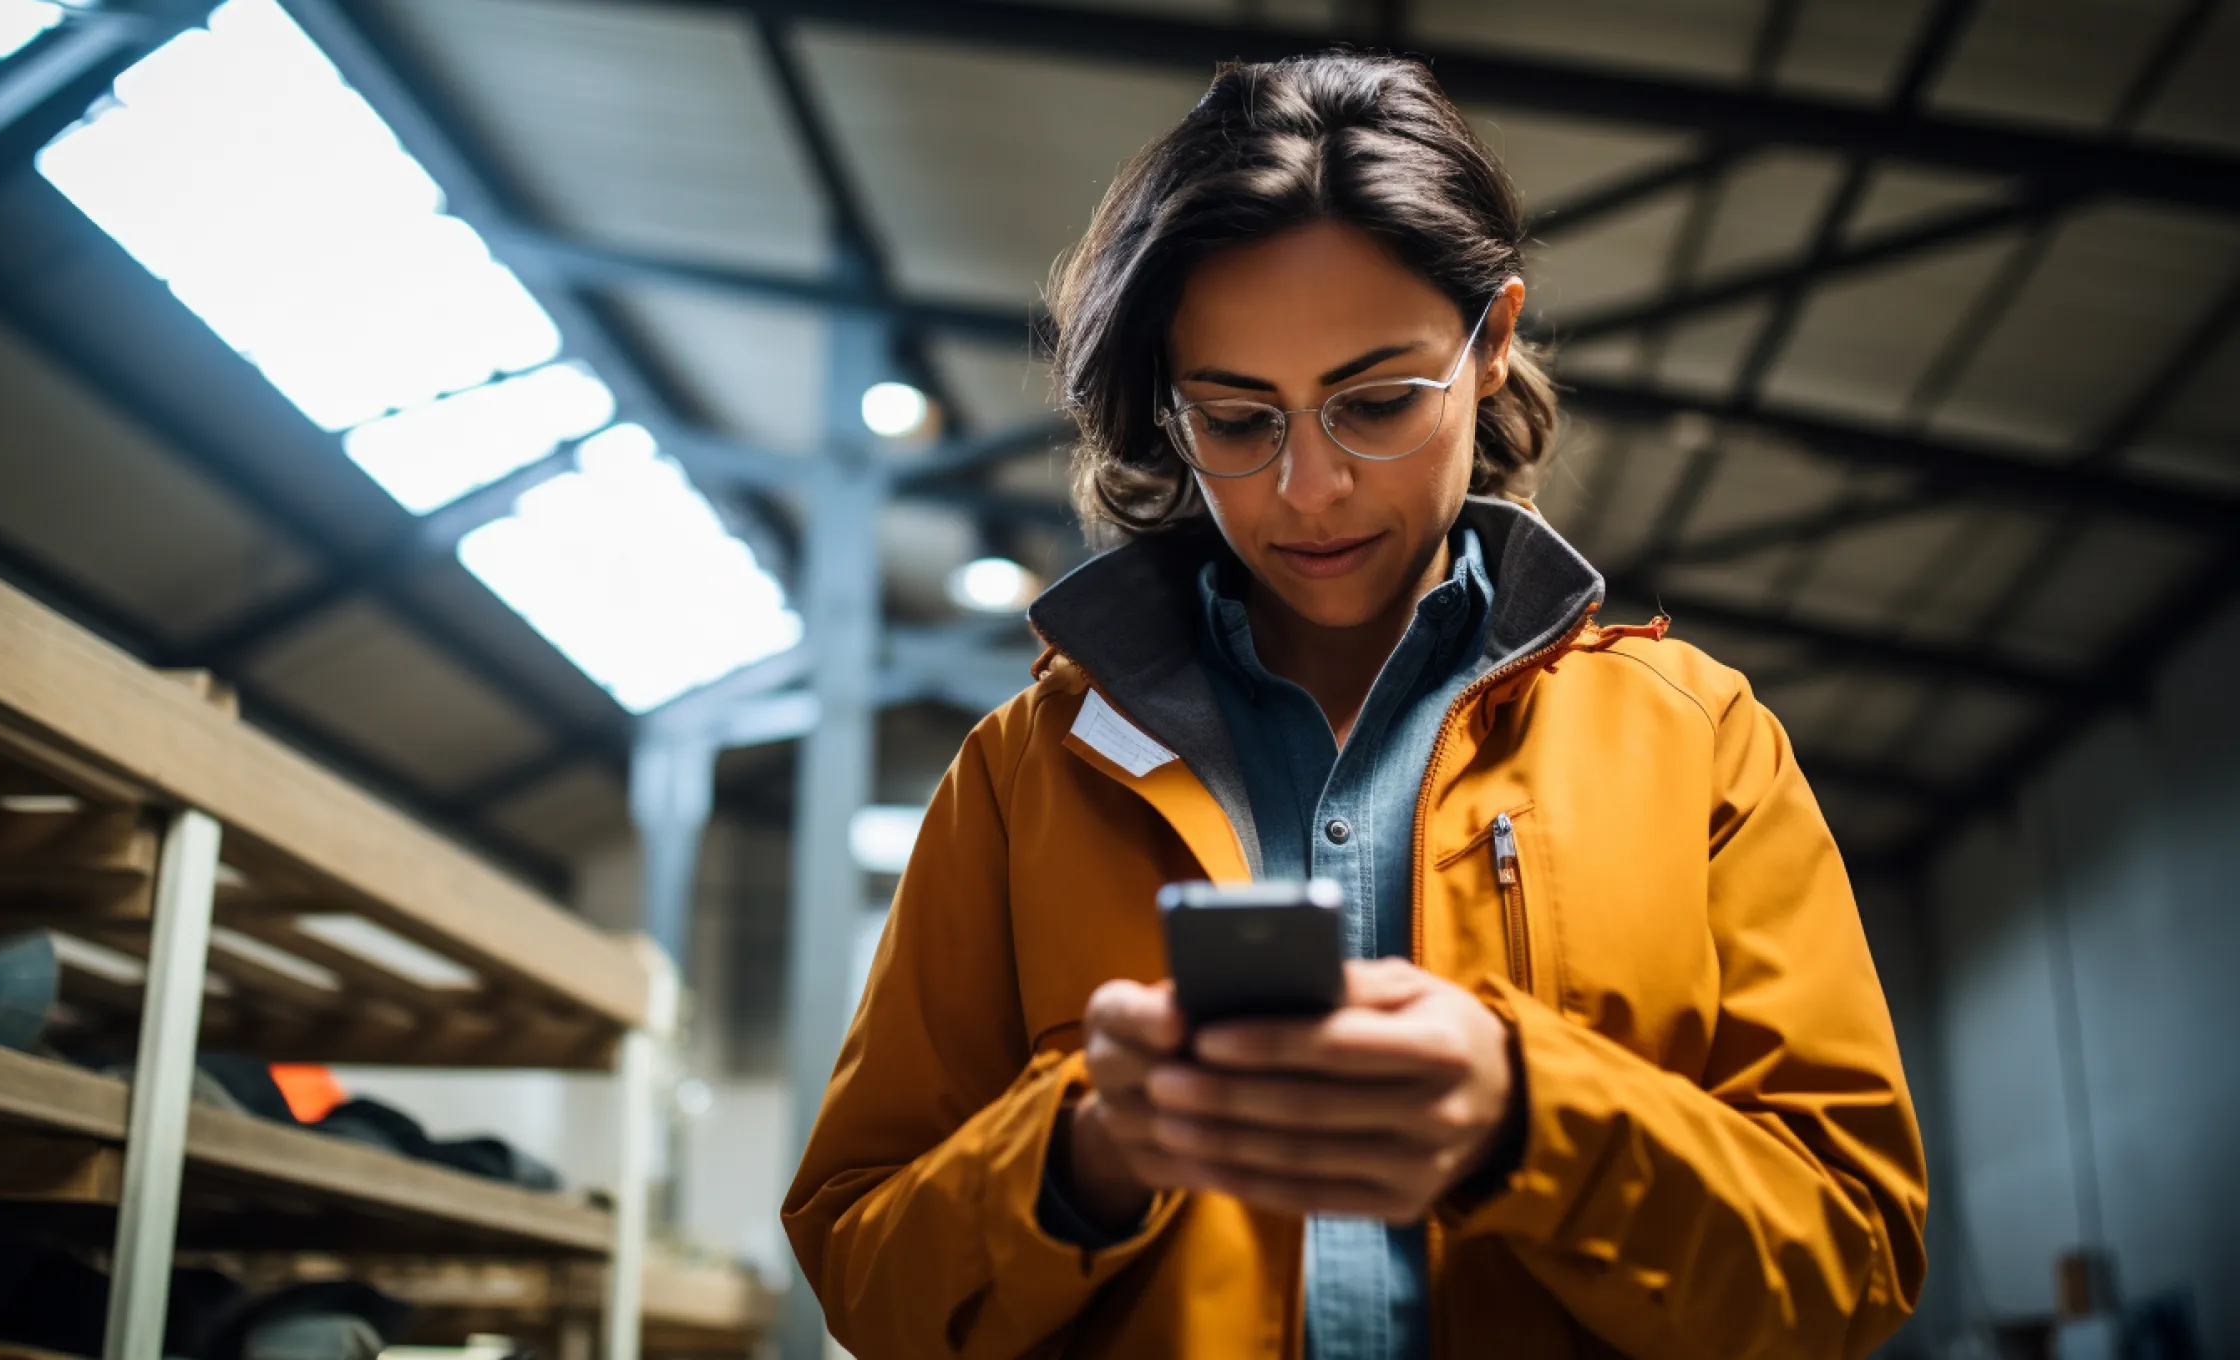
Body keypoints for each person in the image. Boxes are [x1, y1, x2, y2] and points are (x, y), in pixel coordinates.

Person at [782, 51, 1927, 1360]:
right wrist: (1082, 1155)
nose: (1309, 488)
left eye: (1377, 402)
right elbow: (866, 1274)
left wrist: (1527, 1120)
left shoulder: (1697, 739)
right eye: (1235, 417)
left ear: (1491, 344)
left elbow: (1850, 1256)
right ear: (1165, 405)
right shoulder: (1022, 777)